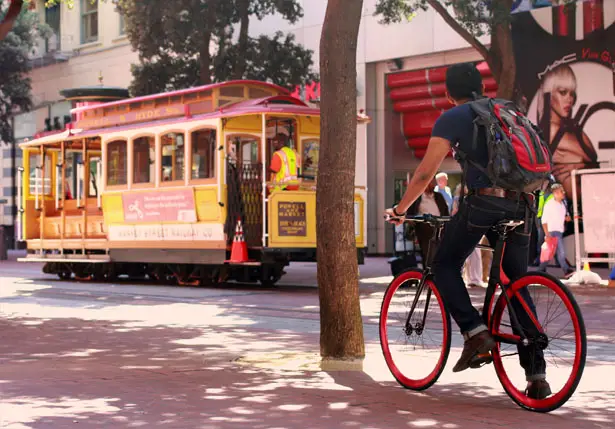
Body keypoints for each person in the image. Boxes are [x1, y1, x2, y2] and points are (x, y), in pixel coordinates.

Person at [385, 62, 550, 399]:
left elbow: (423, 174)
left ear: (448, 94)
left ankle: (475, 332)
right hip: (524, 203)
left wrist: (401, 211)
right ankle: (537, 376)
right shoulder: (505, 110)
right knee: (514, 282)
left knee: (444, 265)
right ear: (482, 88)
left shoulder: (454, 117)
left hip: (485, 204)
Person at [536, 64, 598, 200]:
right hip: (572, 205)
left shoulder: (572, 130)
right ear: (549, 94)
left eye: (572, 94)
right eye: (563, 92)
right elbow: (589, 159)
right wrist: (580, 165)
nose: (569, 99)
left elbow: (591, 162)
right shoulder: (553, 132)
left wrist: (579, 165)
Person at [406, 176, 449, 265]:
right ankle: (429, 272)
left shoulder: (438, 197)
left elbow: (445, 212)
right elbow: (410, 214)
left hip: (440, 227)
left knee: (441, 253)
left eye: (432, 183)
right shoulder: (417, 197)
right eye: (429, 183)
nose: (431, 185)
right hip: (424, 228)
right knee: (428, 253)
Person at [538, 183, 573, 278]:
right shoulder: (549, 205)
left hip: (559, 231)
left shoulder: (563, 204)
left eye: (562, 191)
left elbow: (562, 216)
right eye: (561, 191)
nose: (563, 193)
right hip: (552, 231)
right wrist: (547, 234)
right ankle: (566, 270)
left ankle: (541, 270)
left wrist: (566, 219)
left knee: (550, 253)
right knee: (559, 252)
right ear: (555, 193)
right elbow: (544, 220)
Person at [453, 184, 483, 288]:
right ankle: (474, 278)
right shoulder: (466, 199)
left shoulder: (459, 199)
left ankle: (468, 278)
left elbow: (454, 213)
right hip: (472, 227)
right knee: (474, 255)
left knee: (466, 255)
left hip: (466, 227)